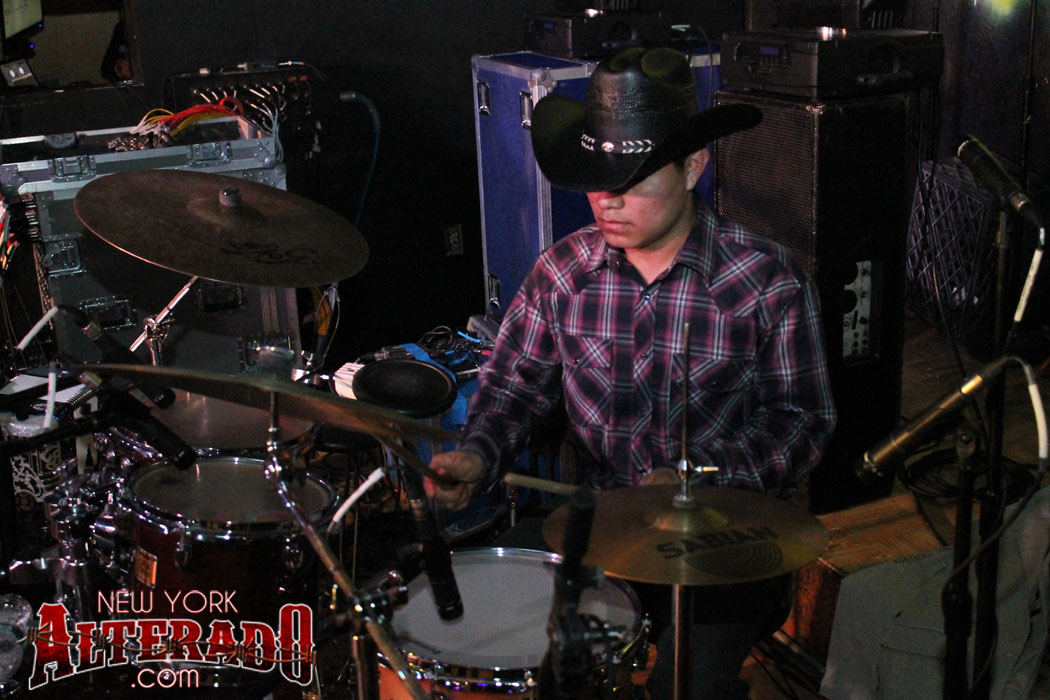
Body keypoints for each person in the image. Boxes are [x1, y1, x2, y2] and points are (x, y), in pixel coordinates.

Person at [425, 46, 837, 698]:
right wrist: (477, 455)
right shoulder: (562, 273)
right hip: (601, 526)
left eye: (635, 180)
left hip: (724, 541)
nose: (607, 202)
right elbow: (512, 390)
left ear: (693, 166)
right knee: (498, 639)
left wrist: (697, 476)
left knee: (684, 687)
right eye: (598, 178)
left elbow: (802, 421)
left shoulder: (768, 280)